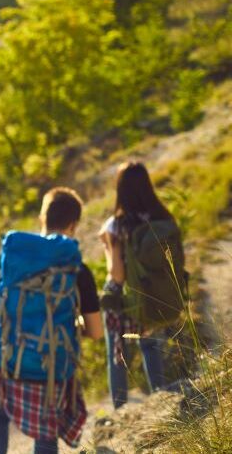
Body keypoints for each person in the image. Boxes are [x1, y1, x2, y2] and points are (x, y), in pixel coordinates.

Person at [0, 188, 103, 454]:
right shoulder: (77, 268)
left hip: (8, 359)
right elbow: (95, 332)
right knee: (46, 436)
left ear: (42, 218)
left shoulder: (11, 255)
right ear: (73, 225)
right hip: (51, 366)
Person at [98, 161, 175, 408]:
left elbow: (117, 275)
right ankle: (160, 397)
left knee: (117, 356)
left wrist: (107, 248)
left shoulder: (117, 224)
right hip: (155, 294)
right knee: (152, 347)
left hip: (125, 299)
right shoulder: (162, 217)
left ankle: (120, 410)